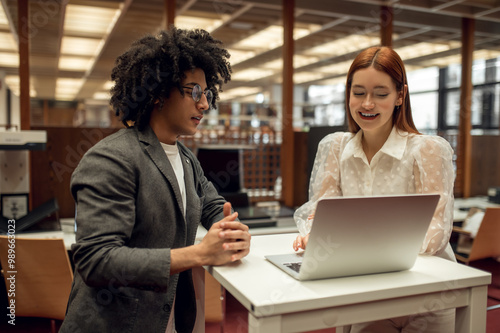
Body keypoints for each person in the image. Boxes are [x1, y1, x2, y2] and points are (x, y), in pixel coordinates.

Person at [59, 27, 251, 333]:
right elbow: (96, 260)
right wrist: (199, 253)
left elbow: (215, 207)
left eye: (208, 94)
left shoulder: (187, 159)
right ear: (160, 92)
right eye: (195, 92)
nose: (204, 105)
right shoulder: (111, 158)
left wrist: (234, 229)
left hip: (170, 321)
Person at [292, 46, 456, 333]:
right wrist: (314, 235)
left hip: (428, 290)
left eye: (381, 94)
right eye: (358, 93)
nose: (367, 104)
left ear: (400, 96)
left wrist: (351, 242)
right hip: (368, 291)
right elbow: (321, 213)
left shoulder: (428, 149)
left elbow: (435, 235)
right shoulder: (335, 147)